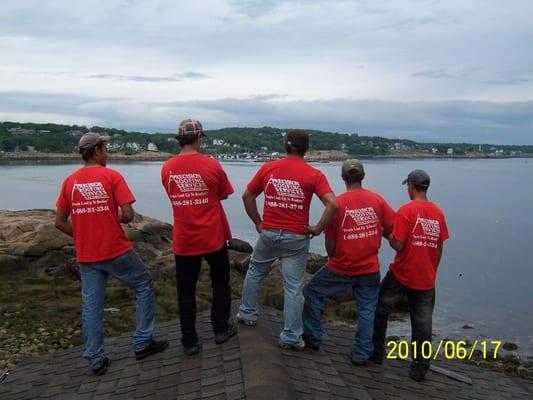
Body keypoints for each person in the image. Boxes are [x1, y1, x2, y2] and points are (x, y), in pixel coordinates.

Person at [55, 132, 168, 376]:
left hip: (87, 254)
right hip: (115, 249)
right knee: (144, 285)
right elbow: (128, 215)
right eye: (105, 148)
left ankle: (96, 359)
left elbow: (59, 222)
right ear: (97, 150)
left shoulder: (69, 182)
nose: (107, 153)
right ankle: (142, 342)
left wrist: (83, 232)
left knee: (92, 305)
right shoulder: (112, 176)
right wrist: (108, 219)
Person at [237, 129, 338, 350]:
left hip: (270, 233)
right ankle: (291, 336)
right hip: (296, 236)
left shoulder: (269, 168)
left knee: (255, 272)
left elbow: (247, 196)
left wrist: (257, 221)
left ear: (285, 145)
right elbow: (333, 204)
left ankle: (247, 313)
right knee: (293, 288)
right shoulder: (314, 175)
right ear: (306, 149)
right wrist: (318, 228)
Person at [302, 159, 395, 365]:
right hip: (370, 268)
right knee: (366, 309)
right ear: (362, 177)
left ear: (343, 178)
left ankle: (313, 338)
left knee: (312, 291)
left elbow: (330, 242)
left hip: (342, 266)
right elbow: (392, 226)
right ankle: (362, 353)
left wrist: (334, 259)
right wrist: (379, 232)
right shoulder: (377, 200)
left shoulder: (338, 203)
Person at [161, 119, 235, 356]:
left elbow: (173, 196)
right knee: (221, 282)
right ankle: (221, 329)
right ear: (199, 138)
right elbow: (223, 194)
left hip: (184, 238)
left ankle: (189, 341)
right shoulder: (211, 165)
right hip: (212, 236)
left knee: (185, 290)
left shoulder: (167, 168)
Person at [372, 169, 449, 382]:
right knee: (423, 322)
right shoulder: (438, 213)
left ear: (412, 187)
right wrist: (433, 269)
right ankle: (420, 367)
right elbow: (439, 246)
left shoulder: (407, 211)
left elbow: (398, 244)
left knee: (381, 309)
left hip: (402, 272)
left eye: (408, 186)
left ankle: (376, 353)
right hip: (426, 276)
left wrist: (384, 232)